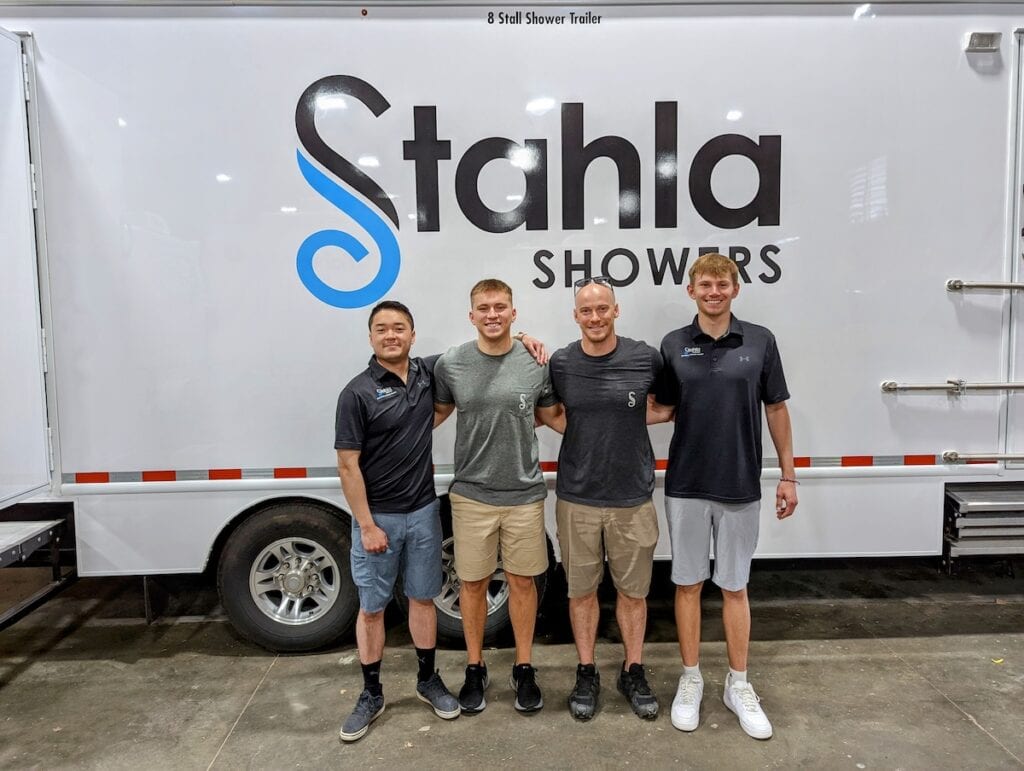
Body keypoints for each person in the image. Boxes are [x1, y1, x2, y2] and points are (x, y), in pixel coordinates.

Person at [650, 252, 798, 740]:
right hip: (687, 485)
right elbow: (663, 409)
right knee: (688, 584)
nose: (714, 291)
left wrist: (789, 475)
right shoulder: (673, 344)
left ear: (736, 289)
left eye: (722, 284)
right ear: (690, 290)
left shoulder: (760, 341)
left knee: (735, 587)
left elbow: (776, 409)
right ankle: (690, 679)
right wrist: (600, 408)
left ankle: (738, 684)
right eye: (705, 284)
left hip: (740, 485)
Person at [433, 278, 561, 714]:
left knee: (524, 583)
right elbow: (432, 411)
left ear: (513, 312)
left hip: (524, 492)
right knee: (471, 584)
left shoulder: (534, 360)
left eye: (500, 307)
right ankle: (475, 668)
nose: (492, 314)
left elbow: (546, 415)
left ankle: (524, 667)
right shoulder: (451, 364)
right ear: (472, 316)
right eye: (484, 308)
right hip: (471, 495)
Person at [334, 300, 461, 742]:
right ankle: (371, 694)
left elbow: (477, 349)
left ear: (412, 334)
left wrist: (523, 339)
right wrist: (367, 525)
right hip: (379, 520)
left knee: (423, 599)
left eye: (400, 328)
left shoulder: (427, 373)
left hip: (424, 512)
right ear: (370, 337)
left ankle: (427, 680)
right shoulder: (356, 393)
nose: (392, 335)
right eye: (382, 329)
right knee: (372, 608)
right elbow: (348, 465)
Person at [548, 277, 663, 721]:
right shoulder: (561, 363)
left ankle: (633, 669)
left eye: (602, 309)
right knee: (581, 593)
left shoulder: (645, 357)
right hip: (576, 497)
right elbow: (550, 413)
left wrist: (625, 428)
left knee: (633, 594)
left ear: (616, 310)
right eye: (586, 310)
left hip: (632, 497)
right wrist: (585, 435)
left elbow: (665, 407)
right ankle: (587, 670)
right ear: (575, 316)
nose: (594, 317)